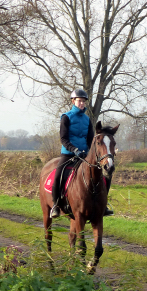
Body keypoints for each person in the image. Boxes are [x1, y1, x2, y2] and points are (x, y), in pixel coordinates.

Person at [50, 89, 113, 218]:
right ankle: (56, 205)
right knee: (58, 176)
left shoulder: (87, 120)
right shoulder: (66, 117)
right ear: (73, 101)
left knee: (104, 175)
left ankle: (103, 205)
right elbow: (63, 139)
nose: (82, 103)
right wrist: (74, 149)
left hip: (84, 155)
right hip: (68, 153)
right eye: (79, 101)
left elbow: (90, 139)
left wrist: (91, 152)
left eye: (84, 101)